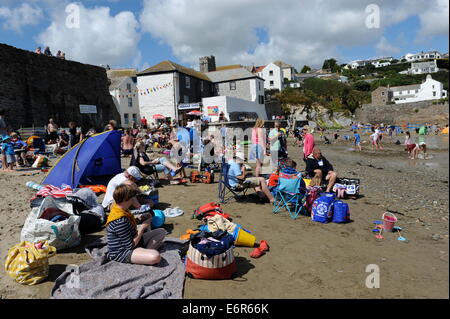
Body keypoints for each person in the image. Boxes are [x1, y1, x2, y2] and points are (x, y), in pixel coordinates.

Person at [106, 184, 165, 265]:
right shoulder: (119, 219)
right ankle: (144, 254)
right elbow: (129, 246)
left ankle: (143, 253)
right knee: (155, 256)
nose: (134, 199)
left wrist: (139, 219)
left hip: (133, 240)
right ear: (126, 199)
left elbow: (128, 226)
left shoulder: (120, 208)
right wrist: (143, 227)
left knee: (161, 232)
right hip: (122, 252)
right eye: (132, 198)